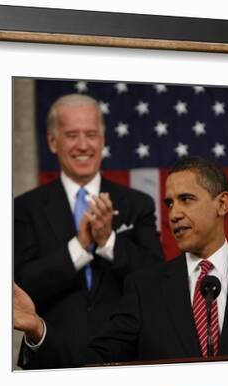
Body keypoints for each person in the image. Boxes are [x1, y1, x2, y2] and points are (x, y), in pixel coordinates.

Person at [14, 156, 228, 367]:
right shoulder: (144, 287)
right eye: (170, 203)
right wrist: (38, 329)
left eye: (186, 200)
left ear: (222, 204)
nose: (174, 213)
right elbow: (92, 362)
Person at [14, 94, 164, 369]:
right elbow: (23, 285)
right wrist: (80, 247)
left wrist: (108, 241)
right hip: (51, 360)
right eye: (71, 135)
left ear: (103, 140)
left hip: (125, 363)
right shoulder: (25, 208)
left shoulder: (138, 204)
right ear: (52, 141)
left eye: (91, 135)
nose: (83, 145)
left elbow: (156, 280)